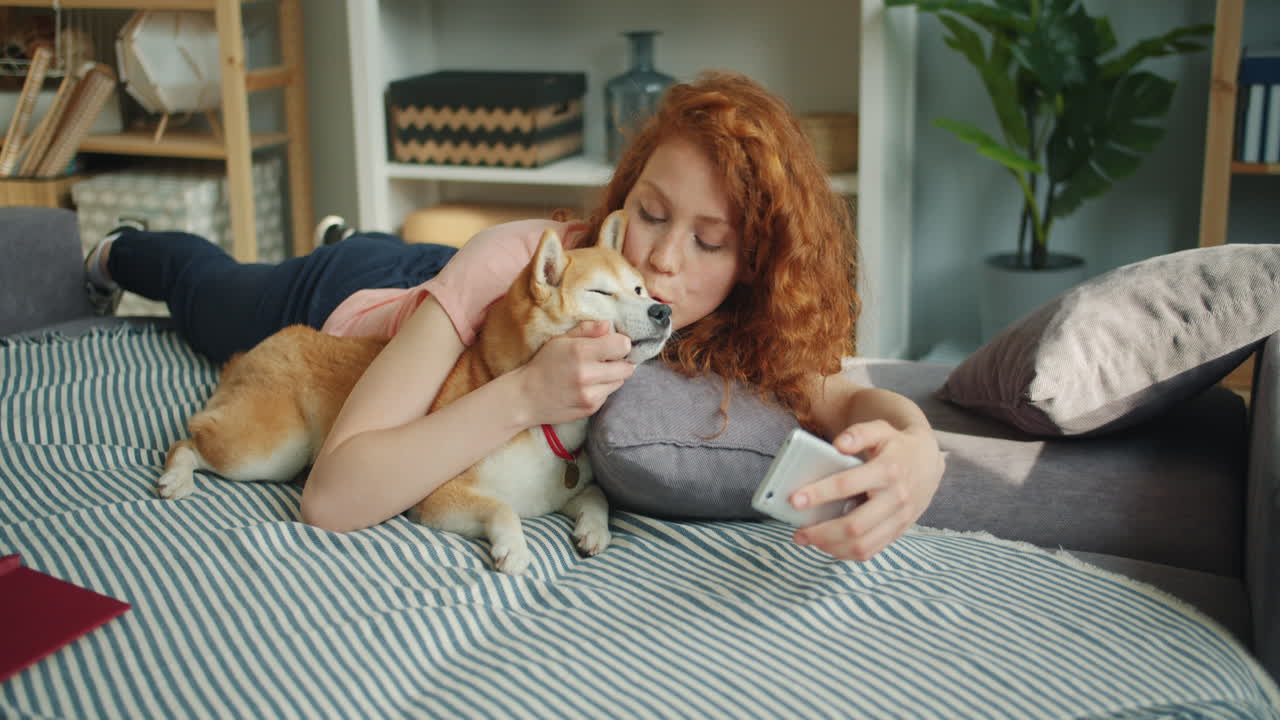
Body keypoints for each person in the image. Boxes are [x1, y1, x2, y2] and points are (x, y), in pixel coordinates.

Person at [83, 70, 945, 562]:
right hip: (346, 302)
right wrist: (527, 395)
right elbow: (333, 498)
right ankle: (120, 248)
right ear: (624, 195)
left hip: (445, 283)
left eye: (709, 241)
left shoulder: (735, 318)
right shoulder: (512, 259)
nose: (660, 261)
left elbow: (844, 398)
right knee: (211, 292)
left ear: (753, 264)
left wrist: (918, 449)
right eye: (649, 213)